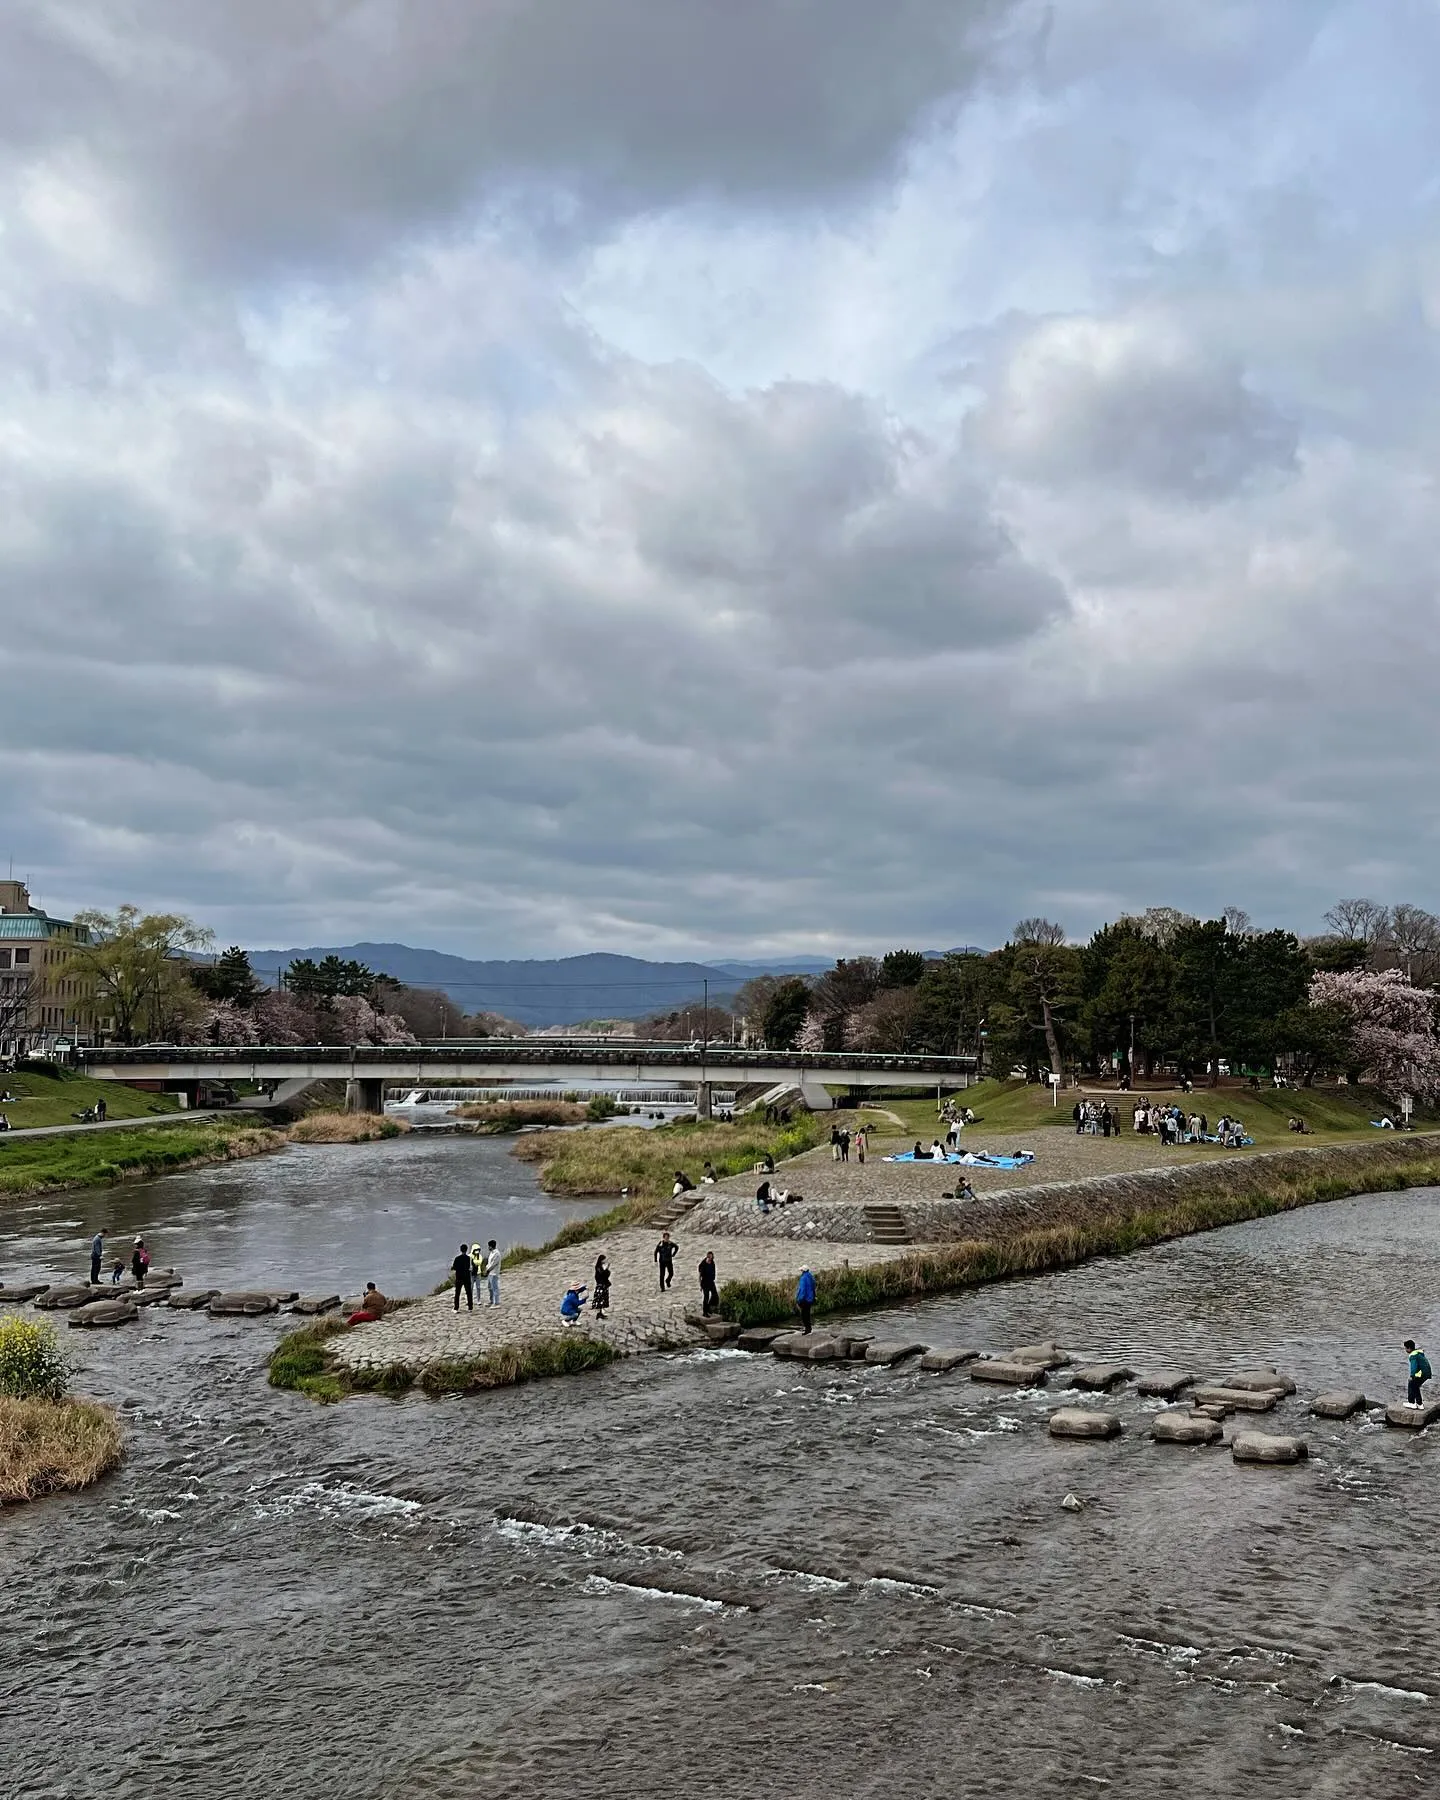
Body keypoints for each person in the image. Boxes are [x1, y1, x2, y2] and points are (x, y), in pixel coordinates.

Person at [1405, 1339, 1431, 1405]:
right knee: (1415, 1386)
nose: (1405, 1350)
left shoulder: (1413, 1355)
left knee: (1411, 1383)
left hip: (1422, 1373)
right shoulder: (1418, 1353)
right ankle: (1419, 1404)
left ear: (1409, 1348)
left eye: (1405, 1348)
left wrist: (1412, 1376)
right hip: (1427, 1372)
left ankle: (1411, 1403)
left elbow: (1414, 1366)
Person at [451, 1242, 474, 1312]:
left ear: (460, 1250)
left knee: (457, 1293)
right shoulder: (469, 1258)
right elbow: (470, 1267)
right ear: (466, 1250)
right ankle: (470, 1307)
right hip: (467, 1277)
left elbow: (454, 1267)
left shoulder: (457, 1258)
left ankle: (456, 1308)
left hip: (459, 1277)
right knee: (469, 1292)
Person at [795, 1265, 816, 1334]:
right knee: (807, 1314)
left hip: (805, 1299)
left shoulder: (803, 1278)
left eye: (801, 1270)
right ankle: (809, 1328)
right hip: (810, 1299)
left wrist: (799, 1299)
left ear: (803, 1271)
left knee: (804, 1315)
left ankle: (807, 1330)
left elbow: (803, 1290)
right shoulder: (810, 1276)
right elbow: (813, 1286)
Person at [698, 1250, 719, 1316]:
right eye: (709, 1258)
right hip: (705, 1283)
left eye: (711, 1258)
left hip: (711, 1282)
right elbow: (700, 1276)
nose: (710, 1259)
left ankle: (709, 1307)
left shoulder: (712, 1263)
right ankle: (705, 1312)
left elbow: (713, 1270)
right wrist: (701, 1286)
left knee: (715, 1295)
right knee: (706, 1297)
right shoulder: (703, 1264)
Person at [593, 1254, 611, 1318]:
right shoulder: (598, 1267)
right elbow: (602, 1274)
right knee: (600, 1299)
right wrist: (607, 1268)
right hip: (601, 1285)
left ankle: (600, 1313)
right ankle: (599, 1313)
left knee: (602, 1299)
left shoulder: (601, 1267)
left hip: (604, 1285)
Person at [484, 1239, 501, 1306]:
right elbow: (489, 1263)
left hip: (494, 1273)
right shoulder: (491, 1253)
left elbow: (493, 1264)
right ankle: (491, 1301)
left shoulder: (497, 1254)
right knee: (490, 1288)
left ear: (491, 1246)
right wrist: (486, 1268)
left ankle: (496, 1302)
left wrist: (487, 1270)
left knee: (494, 1288)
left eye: (489, 1246)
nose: (488, 1247)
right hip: (490, 1273)